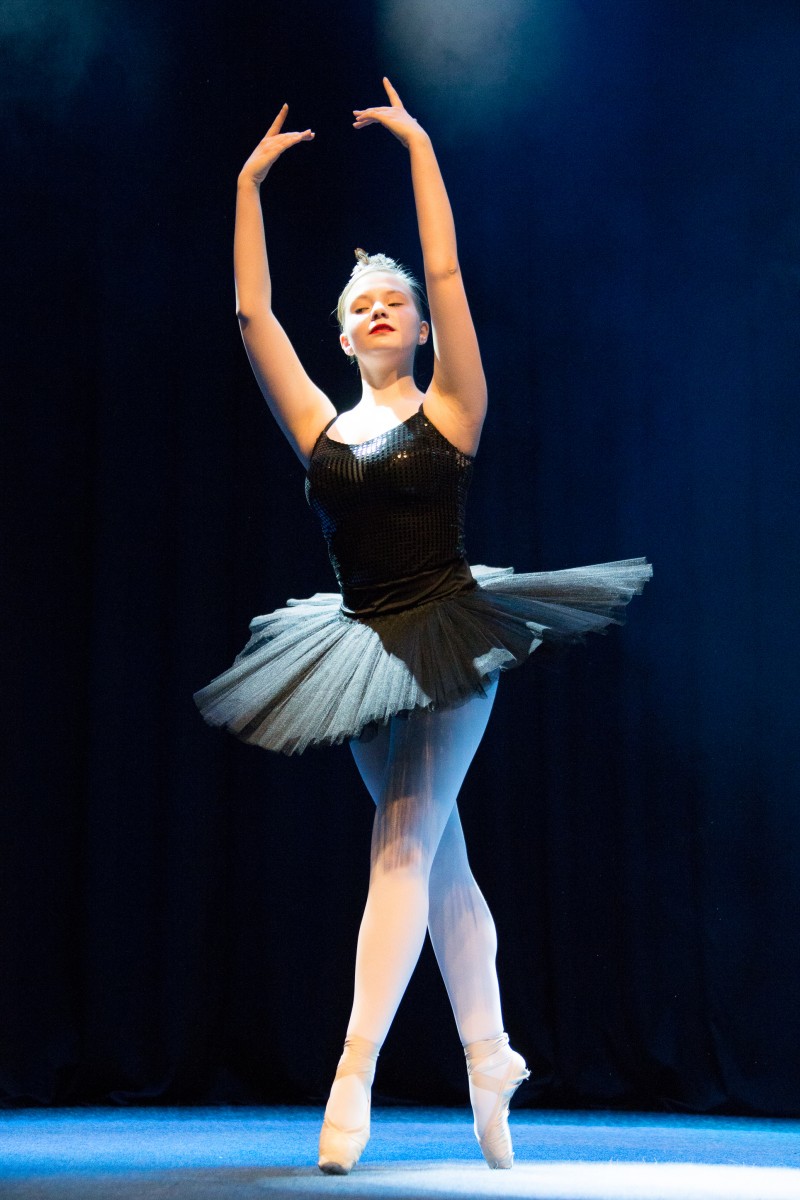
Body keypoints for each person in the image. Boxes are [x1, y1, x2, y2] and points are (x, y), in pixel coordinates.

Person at [194, 79, 652, 1174]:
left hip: (447, 633)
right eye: (359, 306)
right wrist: (248, 185)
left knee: (400, 840)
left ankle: (351, 1074)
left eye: (391, 302)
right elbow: (253, 317)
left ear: (417, 327)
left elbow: (445, 270)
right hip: (356, 651)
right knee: (439, 861)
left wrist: (421, 150)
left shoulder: (453, 408)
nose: (377, 311)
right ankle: (490, 1057)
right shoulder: (318, 427)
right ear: (343, 334)